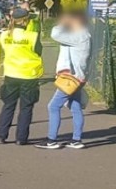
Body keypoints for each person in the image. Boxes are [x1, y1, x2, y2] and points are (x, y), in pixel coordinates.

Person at [36, 11, 91, 149]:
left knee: (53, 106)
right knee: (75, 106)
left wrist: (63, 22)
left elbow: (55, 34)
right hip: (77, 77)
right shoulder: (83, 35)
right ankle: (76, 140)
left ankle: (51, 140)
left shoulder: (79, 36)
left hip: (70, 78)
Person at [0, 7, 44, 145]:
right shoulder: (32, 36)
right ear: (26, 21)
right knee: (26, 107)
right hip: (29, 75)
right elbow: (38, 52)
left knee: (8, 105)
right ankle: (21, 138)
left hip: (11, 74)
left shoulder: (5, 35)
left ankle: (1, 136)